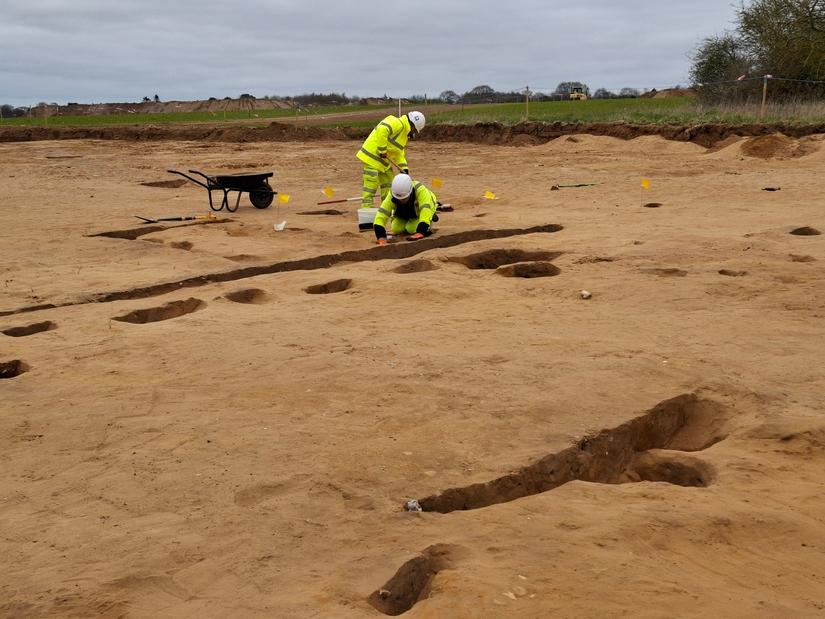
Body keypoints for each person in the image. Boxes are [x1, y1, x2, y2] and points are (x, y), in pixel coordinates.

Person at [356, 111, 425, 209]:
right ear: (413, 126)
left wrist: (404, 168)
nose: (413, 134)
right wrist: (382, 150)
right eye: (415, 131)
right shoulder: (396, 122)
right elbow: (382, 130)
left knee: (389, 182)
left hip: (383, 163)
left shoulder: (403, 137)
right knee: (371, 183)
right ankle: (366, 208)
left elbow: (399, 153)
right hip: (372, 157)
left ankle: (386, 208)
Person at [374, 174, 438, 245]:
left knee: (411, 228)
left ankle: (430, 220)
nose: (402, 201)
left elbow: (425, 209)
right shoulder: (393, 193)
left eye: (404, 198)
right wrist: (381, 236)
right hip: (406, 211)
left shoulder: (420, 190)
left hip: (423, 210)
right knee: (396, 228)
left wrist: (421, 232)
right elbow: (382, 213)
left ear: (410, 192)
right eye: (399, 199)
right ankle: (409, 221)